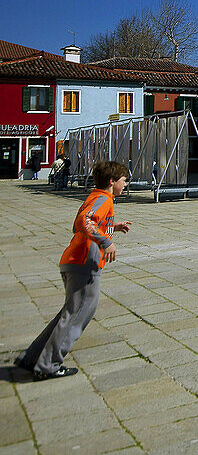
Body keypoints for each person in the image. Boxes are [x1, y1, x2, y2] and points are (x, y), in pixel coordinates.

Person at [15, 161, 132, 380]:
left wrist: (112, 227)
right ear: (111, 181)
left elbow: (86, 222)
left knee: (69, 313)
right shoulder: (102, 199)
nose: (125, 184)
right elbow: (83, 221)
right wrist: (105, 242)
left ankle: (32, 357)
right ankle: (48, 365)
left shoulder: (97, 197)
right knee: (79, 314)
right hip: (84, 264)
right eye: (124, 180)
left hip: (74, 261)